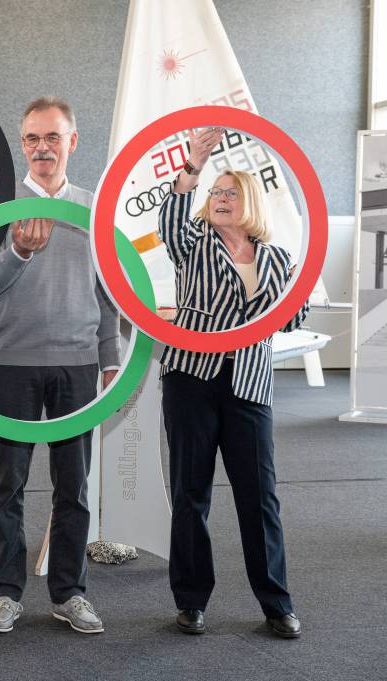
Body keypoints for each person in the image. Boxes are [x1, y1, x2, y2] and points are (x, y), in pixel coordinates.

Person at [0, 97, 120, 635]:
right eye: (33, 138)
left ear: (72, 142)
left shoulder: (91, 208)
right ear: (22, 145)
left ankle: (70, 592)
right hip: (12, 361)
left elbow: (107, 293)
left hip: (78, 365)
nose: (42, 148)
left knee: (74, 487)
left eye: (53, 137)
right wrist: (19, 251)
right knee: (6, 484)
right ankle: (5, 593)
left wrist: (110, 359)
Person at [158, 127, 307, 639]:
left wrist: (295, 296)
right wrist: (193, 167)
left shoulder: (278, 257)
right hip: (191, 380)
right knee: (191, 494)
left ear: (250, 203)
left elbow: (289, 319)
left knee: (259, 496)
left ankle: (276, 603)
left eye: (230, 192)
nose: (220, 199)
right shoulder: (192, 242)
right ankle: (192, 601)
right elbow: (170, 219)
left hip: (248, 384)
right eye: (215, 192)